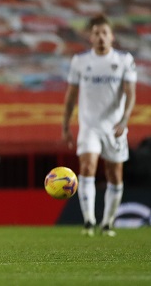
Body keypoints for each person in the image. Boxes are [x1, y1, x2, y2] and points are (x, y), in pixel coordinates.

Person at [62, 14, 137, 237]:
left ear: (112, 36)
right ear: (90, 37)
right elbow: (71, 96)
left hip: (114, 126)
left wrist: (124, 120)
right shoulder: (80, 61)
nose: (101, 37)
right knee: (87, 168)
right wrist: (65, 125)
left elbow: (131, 94)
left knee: (114, 174)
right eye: (96, 33)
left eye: (105, 33)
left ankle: (108, 222)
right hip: (89, 126)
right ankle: (89, 221)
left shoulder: (124, 60)